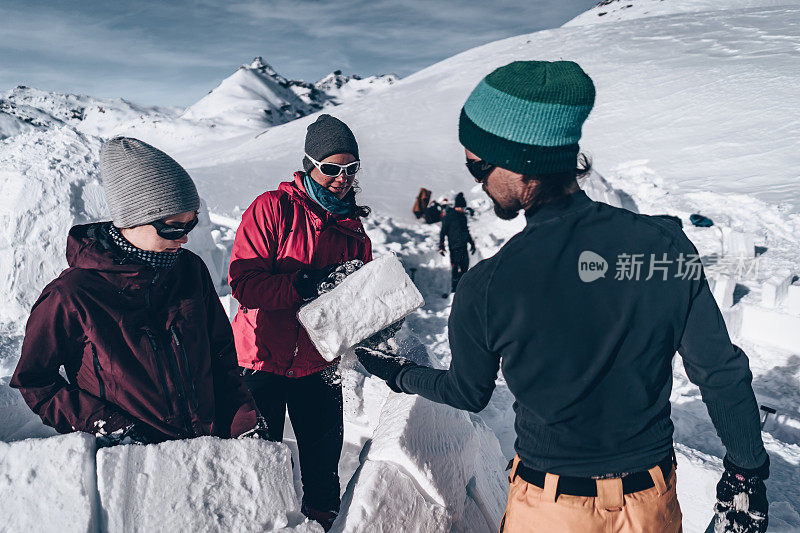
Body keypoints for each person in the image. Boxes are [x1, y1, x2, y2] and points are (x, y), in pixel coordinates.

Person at [355, 61, 769, 532]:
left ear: (518, 163)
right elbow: (720, 371)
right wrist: (747, 471)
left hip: (553, 509)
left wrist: (397, 374)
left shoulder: (489, 284)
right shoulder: (664, 245)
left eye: (478, 164)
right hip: (651, 504)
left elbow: (467, 392)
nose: (476, 180)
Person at [11, 137, 263, 446]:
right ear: (133, 221)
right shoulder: (72, 294)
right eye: (172, 227)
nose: (184, 239)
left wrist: (243, 420)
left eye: (191, 224)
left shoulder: (190, 270)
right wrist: (104, 423)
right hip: (133, 465)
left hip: (205, 452)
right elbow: (35, 381)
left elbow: (220, 355)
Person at [228, 114, 372, 530]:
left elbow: (357, 305)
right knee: (256, 469)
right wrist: (305, 283)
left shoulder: (354, 233)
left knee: (324, 476)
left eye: (350, 169)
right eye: (331, 168)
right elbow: (245, 284)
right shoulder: (272, 209)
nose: (341, 178)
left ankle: (322, 525)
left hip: (319, 365)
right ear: (310, 164)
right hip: (259, 361)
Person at [439, 192, 476, 296]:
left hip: (463, 245)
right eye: (462, 207)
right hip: (454, 246)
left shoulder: (463, 217)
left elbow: (466, 231)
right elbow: (443, 231)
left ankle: (462, 288)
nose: (463, 209)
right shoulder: (449, 216)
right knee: (455, 268)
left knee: (465, 268)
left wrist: (472, 243)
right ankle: (454, 289)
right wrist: (441, 245)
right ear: (457, 206)